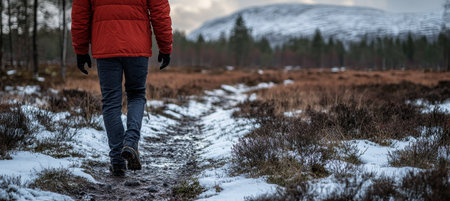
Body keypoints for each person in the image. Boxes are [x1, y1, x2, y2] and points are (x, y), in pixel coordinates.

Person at [71, 0, 173, 177]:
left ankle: (117, 161)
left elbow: (80, 15)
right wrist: (165, 47)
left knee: (111, 102)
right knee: (136, 95)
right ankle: (131, 143)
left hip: (105, 45)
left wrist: (81, 50)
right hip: (137, 46)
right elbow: (160, 13)